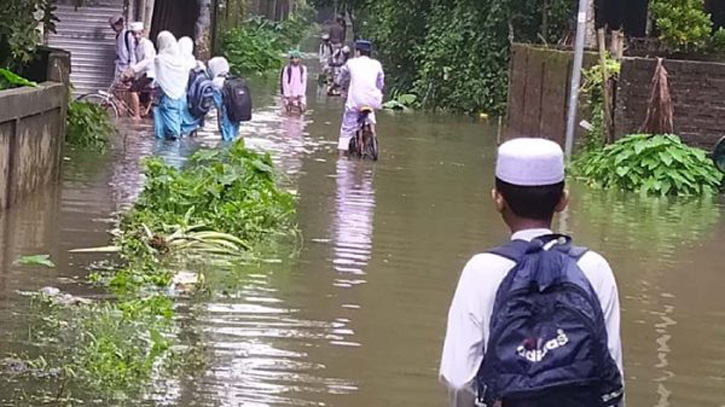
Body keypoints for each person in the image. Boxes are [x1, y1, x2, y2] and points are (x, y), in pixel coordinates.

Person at [439, 138, 625, 407]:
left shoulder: (480, 270)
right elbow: (612, 372)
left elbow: (458, 378)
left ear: (498, 199)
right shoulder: (595, 267)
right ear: (563, 200)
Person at [335, 40, 384, 153]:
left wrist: (335, 85)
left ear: (357, 51)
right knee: (370, 114)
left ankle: (341, 158)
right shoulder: (377, 64)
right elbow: (380, 83)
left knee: (346, 131)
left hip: (355, 102)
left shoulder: (351, 63)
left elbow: (341, 77)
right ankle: (372, 134)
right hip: (373, 100)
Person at [153, 31, 188, 140]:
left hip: (166, 97)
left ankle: (169, 155)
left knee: (168, 133)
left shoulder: (159, 59)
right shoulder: (182, 60)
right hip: (181, 97)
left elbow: (156, 78)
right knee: (177, 129)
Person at [125, 22, 156, 120]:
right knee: (127, 85)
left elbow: (147, 60)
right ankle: (138, 109)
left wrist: (133, 69)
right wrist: (129, 70)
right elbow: (133, 59)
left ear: (143, 33)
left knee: (133, 90)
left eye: (139, 33)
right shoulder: (134, 44)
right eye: (134, 34)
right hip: (141, 73)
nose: (137, 36)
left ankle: (137, 115)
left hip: (149, 73)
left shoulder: (147, 44)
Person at [208, 56, 241, 141]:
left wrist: (219, 124)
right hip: (236, 114)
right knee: (234, 137)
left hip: (226, 116)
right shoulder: (232, 80)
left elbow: (218, 105)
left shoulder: (216, 83)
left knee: (226, 138)